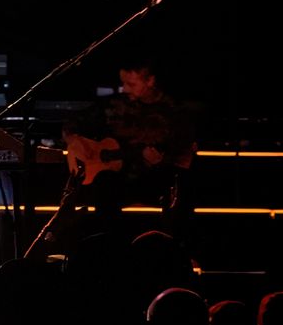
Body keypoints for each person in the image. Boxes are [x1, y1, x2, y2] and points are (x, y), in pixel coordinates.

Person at [63, 55, 198, 237]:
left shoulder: (174, 112)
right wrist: (74, 140)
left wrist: (161, 160)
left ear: (150, 81)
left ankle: (174, 247)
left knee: (181, 190)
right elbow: (73, 124)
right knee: (103, 185)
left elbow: (183, 156)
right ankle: (108, 245)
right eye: (123, 83)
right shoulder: (115, 105)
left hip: (153, 180)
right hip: (120, 181)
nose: (125, 89)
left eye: (131, 84)